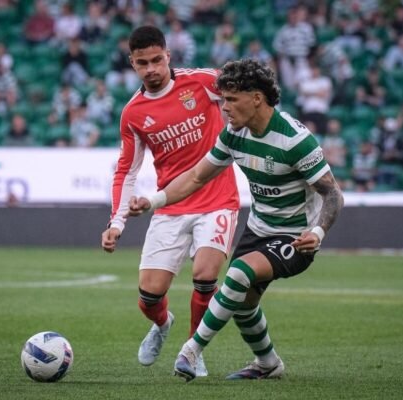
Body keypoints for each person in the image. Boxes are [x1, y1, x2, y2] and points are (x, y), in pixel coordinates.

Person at [127, 59, 344, 381]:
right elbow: (197, 177)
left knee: (239, 273)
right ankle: (268, 363)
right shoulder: (234, 133)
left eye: (231, 99)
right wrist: (153, 200)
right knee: (243, 303)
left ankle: (191, 351)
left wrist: (318, 232)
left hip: (296, 237)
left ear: (256, 98)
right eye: (223, 99)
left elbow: (333, 194)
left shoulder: (294, 140)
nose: (224, 107)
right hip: (258, 229)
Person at [100, 26, 240, 377]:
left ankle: (193, 350)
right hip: (171, 205)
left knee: (205, 275)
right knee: (149, 294)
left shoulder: (203, 82)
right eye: (142, 63)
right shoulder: (133, 113)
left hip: (218, 198)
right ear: (132, 64)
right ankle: (162, 324)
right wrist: (117, 223)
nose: (151, 69)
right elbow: (126, 171)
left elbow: (243, 92)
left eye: (156, 60)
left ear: (168, 56)